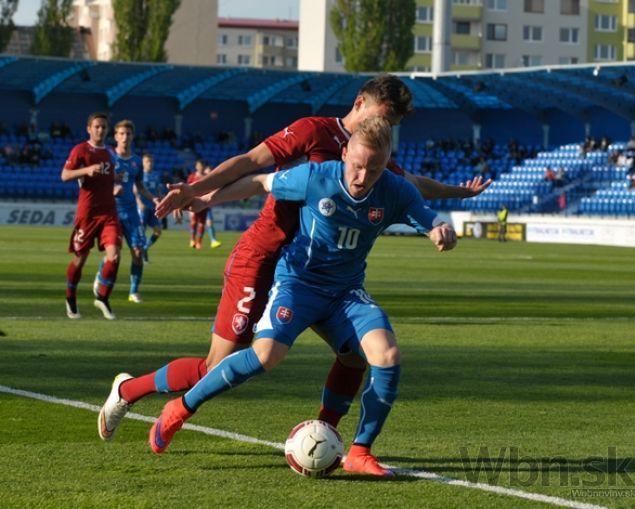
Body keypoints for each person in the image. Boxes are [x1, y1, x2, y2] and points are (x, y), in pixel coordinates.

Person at [97, 75, 489, 444]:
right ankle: (129, 389)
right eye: (383, 118)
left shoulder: (370, 155)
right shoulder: (314, 131)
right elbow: (253, 164)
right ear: (360, 104)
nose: (385, 130)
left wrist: (458, 193)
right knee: (216, 365)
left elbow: (412, 186)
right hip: (263, 255)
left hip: (315, 272)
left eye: (392, 125)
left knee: (354, 357)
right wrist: (199, 192)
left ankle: (329, 438)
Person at [149, 118, 457, 476]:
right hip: (298, 284)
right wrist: (203, 198)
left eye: (373, 169)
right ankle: (180, 409)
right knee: (267, 355)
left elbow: (429, 217)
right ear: (344, 154)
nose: (362, 177)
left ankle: (359, 451)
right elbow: (261, 180)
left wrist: (440, 229)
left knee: (385, 354)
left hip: (346, 294)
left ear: (386, 164)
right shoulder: (315, 177)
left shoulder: (395, 189)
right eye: (357, 166)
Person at [61, 112, 121, 320]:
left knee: (114, 256)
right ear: (89, 128)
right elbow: (65, 175)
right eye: (96, 127)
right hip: (87, 214)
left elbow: (111, 177)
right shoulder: (81, 150)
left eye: (104, 127)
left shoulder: (111, 153)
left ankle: (102, 297)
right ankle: (70, 296)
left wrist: (117, 185)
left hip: (109, 213)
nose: (100, 130)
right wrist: (86, 170)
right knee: (80, 259)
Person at [96, 120, 158, 304]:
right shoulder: (107, 156)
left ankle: (133, 291)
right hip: (111, 212)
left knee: (138, 253)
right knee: (113, 254)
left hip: (131, 213)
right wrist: (111, 188)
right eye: (121, 134)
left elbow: (139, 185)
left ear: (132, 136)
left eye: (128, 134)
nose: (125, 137)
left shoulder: (137, 161)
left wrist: (152, 197)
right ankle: (101, 276)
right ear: (115, 136)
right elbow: (96, 181)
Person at [138, 154, 163, 263]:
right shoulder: (140, 175)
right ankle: (142, 255)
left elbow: (158, 191)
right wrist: (139, 203)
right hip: (142, 208)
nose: (150, 163)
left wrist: (161, 201)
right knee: (141, 233)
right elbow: (135, 192)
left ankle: (145, 248)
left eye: (151, 161)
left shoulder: (156, 175)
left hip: (153, 208)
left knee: (158, 231)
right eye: (147, 161)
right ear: (143, 163)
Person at [186, 160, 211, 249]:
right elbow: (187, 189)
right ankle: (192, 239)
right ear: (196, 166)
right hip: (193, 202)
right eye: (199, 165)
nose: (201, 167)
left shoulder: (207, 177)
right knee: (193, 221)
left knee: (201, 223)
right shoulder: (192, 177)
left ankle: (199, 242)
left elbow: (210, 189)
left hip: (204, 202)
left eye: (202, 165)